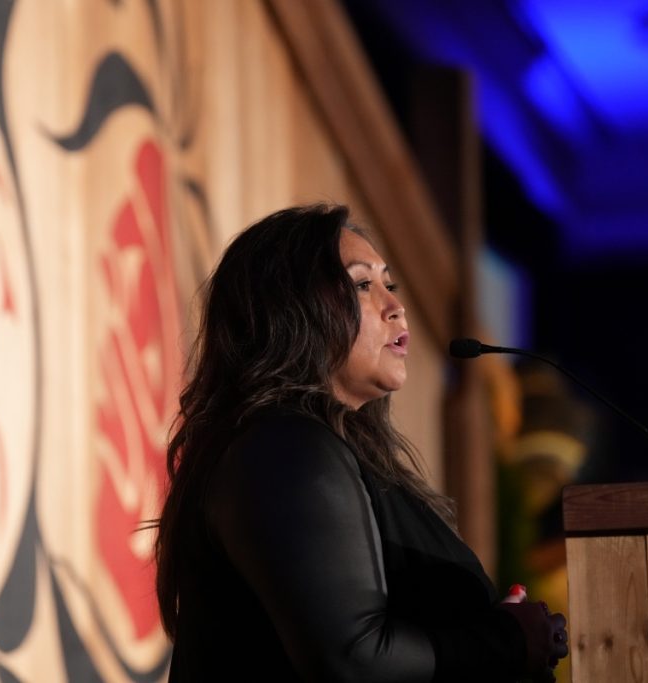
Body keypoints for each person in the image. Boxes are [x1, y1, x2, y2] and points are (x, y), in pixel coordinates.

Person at [154, 204, 568, 681]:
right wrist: (505, 639)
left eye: (390, 284)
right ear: (292, 309)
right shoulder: (284, 451)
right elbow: (352, 660)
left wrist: (500, 628)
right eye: (362, 285)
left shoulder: (317, 451)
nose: (395, 306)